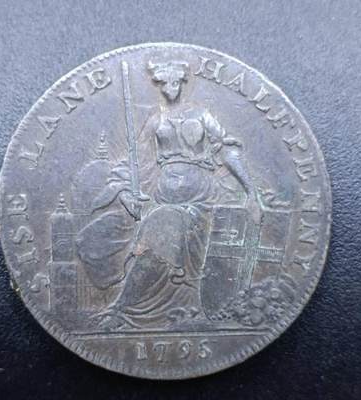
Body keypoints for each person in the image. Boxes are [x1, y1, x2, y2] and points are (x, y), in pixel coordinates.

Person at [87, 60, 260, 330]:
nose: (170, 88)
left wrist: (251, 192)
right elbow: (134, 160)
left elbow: (228, 151)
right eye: (164, 83)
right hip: (165, 196)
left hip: (202, 198)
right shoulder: (155, 120)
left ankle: (130, 309)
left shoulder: (202, 115)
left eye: (175, 82)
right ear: (159, 85)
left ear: (181, 83)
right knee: (152, 228)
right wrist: (125, 195)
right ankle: (124, 309)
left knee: (163, 224)